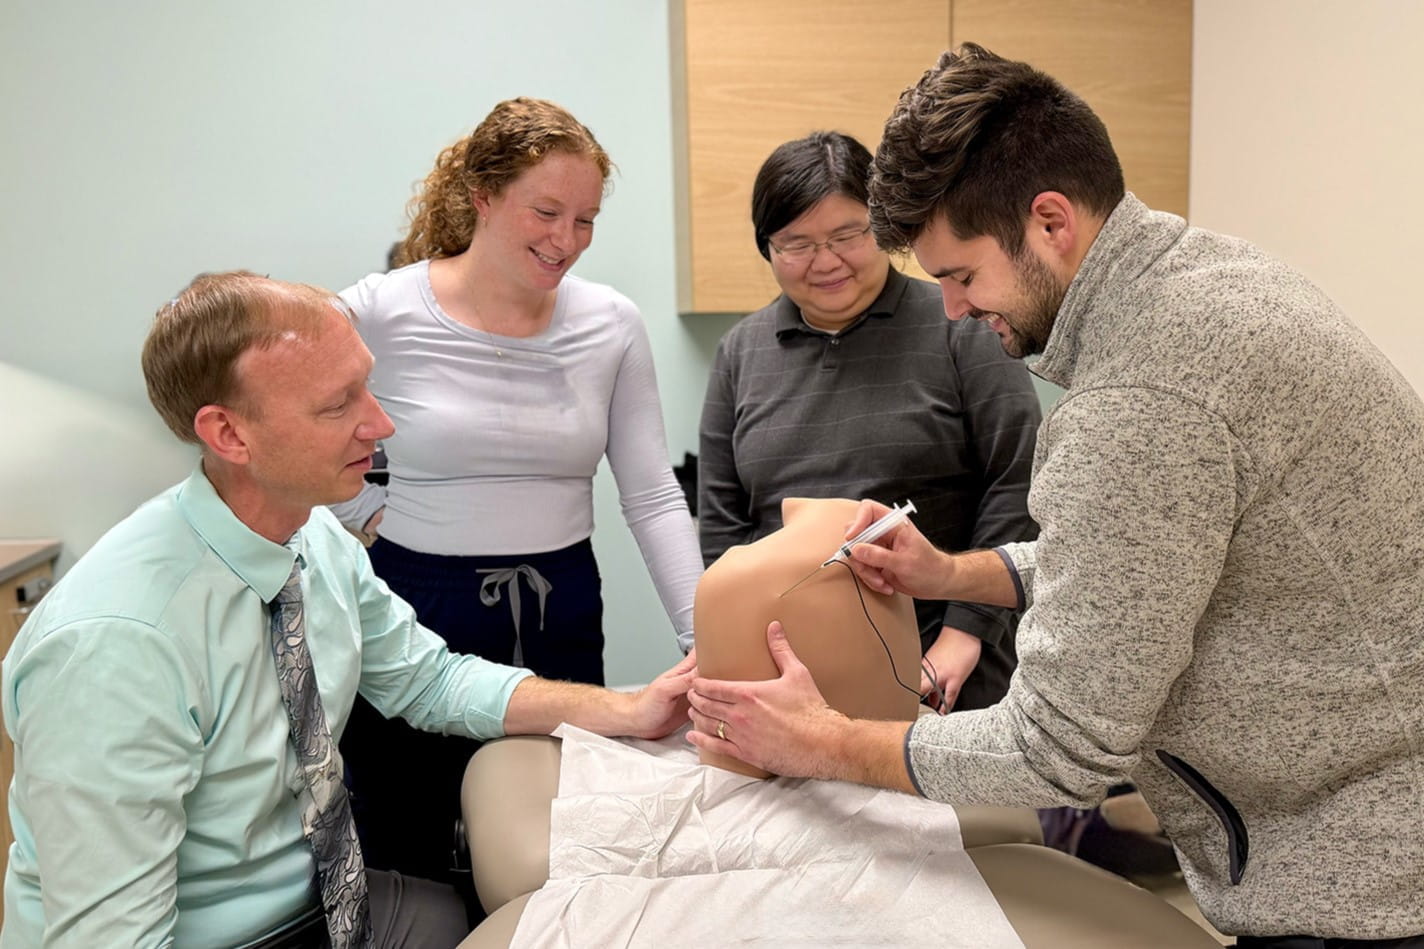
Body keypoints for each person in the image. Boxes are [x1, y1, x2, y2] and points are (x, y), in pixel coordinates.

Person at [687, 43, 1424, 947]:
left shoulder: (1143, 397)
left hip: (1365, 878)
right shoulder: (1207, 281)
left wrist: (822, 741)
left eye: (960, 275)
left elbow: (1058, 749)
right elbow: (1142, 557)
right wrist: (952, 572)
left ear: (1050, 222)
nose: (953, 310)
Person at [0, 271, 697, 949]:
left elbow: (431, 680)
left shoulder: (315, 537)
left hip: (328, 903)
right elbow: (112, 936)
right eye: (338, 405)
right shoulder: (116, 646)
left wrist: (630, 710)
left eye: (368, 385)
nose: (381, 423)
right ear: (229, 434)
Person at [327, 97, 703, 882]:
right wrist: (362, 512)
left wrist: (704, 639)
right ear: (483, 196)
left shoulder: (612, 324)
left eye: (586, 220)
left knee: (556, 847)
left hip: (560, 605)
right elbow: (297, 417)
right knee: (409, 843)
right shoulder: (382, 309)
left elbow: (652, 497)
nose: (567, 239)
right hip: (414, 602)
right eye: (547, 212)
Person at [697, 131, 1040, 714]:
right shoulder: (741, 352)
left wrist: (965, 631)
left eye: (847, 235)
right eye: (797, 244)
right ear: (767, 248)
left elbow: (1018, 482)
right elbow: (722, 523)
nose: (826, 261)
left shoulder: (962, 324)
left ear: (882, 227)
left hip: (943, 666)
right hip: (783, 673)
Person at [694, 497, 920, 777]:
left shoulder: (731, 579)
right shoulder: (890, 561)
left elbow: (730, 761)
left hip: (767, 783)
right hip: (903, 764)